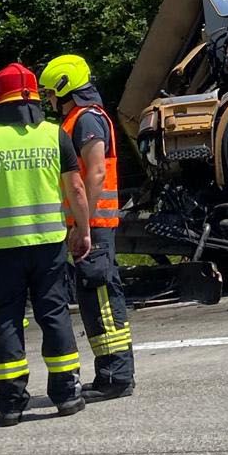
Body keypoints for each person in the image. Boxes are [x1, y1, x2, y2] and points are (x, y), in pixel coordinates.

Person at [0, 63, 92, 427]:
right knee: (53, 314)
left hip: (3, 249)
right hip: (50, 244)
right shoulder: (55, 135)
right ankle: (66, 393)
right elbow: (77, 189)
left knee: (6, 319)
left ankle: (9, 403)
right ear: (35, 96)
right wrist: (83, 230)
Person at [39, 54, 136, 402]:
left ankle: (116, 376)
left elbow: (94, 173)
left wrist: (82, 225)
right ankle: (111, 372)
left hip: (93, 225)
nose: (49, 101)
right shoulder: (81, 120)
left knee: (103, 299)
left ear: (65, 88)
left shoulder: (86, 121)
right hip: (89, 224)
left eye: (51, 94)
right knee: (96, 299)